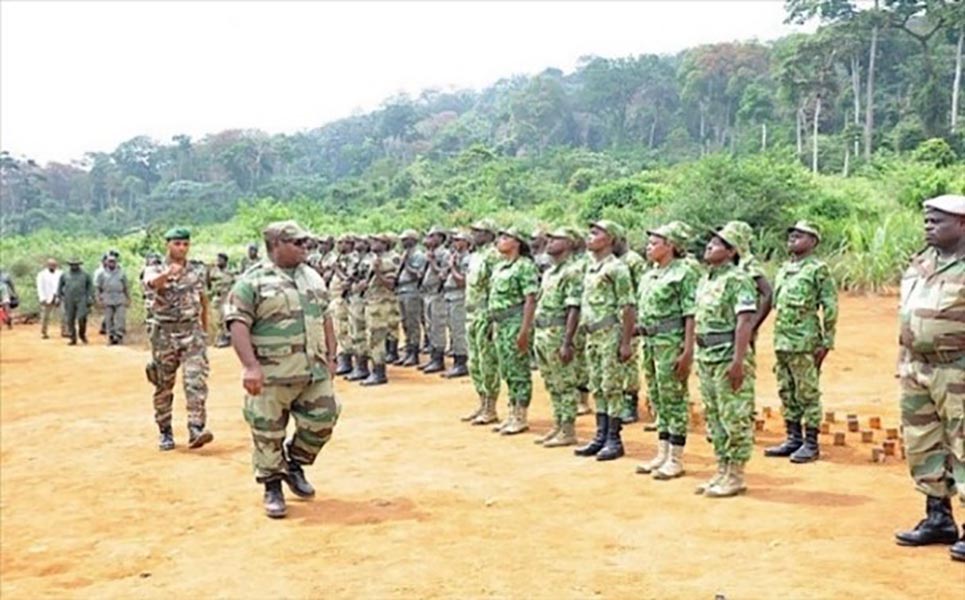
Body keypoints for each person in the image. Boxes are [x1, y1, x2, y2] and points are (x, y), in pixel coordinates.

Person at [225, 220, 340, 519]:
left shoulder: (312, 276)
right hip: (271, 374)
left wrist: (332, 356)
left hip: (312, 370)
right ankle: (272, 485)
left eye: (305, 242)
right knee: (267, 430)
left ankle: (294, 462)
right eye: (297, 242)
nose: (305, 247)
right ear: (276, 245)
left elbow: (325, 317)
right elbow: (238, 324)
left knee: (325, 417)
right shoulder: (253, 281)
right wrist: (250, 366)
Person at [894, 194, 965, 561]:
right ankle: (938, 518)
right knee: (923, 444)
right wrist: (902, 360)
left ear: (963, 224)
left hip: (958, 369)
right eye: (927, 220)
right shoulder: (922, 262)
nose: (928, 226)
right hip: (917, 368)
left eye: (937, 221)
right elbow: (906, 316)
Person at [764, 221, 838, 464]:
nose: (793, 237)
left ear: (813, 242)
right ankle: (793, 438)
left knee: (807, 393)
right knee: (787, 390)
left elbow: (829, 305)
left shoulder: (818, 269)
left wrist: (826, 341)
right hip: (782, 341)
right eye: (792, 234)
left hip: (805, 342)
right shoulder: (785, 269)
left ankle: (811, 443)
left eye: (800, 235)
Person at [693, 222, 758, 498]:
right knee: (715, 415)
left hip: (726, 355)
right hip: (706, 356)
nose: (710, 246)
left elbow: (744, 322)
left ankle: (736, 474)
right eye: (711, 242)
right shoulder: (707, 278)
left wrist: (738, 361)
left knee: (734, 416)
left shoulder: (738, 279)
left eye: (718, 243)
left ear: (732, 252)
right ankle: (721, 468)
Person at [634, 222, 699, 479]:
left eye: (654, 243)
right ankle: (661, 452)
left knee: (674, 398)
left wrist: (687, 350)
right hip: (650, 342)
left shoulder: (684, 272)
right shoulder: (650, 273)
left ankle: (676, 457)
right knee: (657, 397)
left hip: (671, 342)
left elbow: (690, 314)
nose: (649, 247)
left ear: (670, 245)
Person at [143, 227, 213, 451]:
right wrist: (168, 274)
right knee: (163, 384)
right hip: (164, 334)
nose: (181, 248)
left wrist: (204, 329)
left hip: (191, 333)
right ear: (168, 245)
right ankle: (165, 431)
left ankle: (196, 428)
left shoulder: (196, 269)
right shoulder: (154, 267)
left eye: (185, 244)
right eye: (177, 244)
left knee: (195, 381)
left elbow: (203, 300)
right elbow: (152, 284)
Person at [574, 220, 636, 461]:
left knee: (612, 387)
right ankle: (600, 436)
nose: (590, 236)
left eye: (596, 232)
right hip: (592, 335)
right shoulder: (591, 268)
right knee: (598, 386)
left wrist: (626, 342)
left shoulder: (617, 268)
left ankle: (614, 439)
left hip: (610, 333)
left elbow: (628, 306)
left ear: (610, 239)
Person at [533, 227, 583, 447]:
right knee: (552, 383)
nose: (549, 242)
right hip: (543, 333)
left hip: (558, 333)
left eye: (556, 238)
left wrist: (567, 341)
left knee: (565, 383)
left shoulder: (571, 271)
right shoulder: (550, 271)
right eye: (549, 238)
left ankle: (569, 429)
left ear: (570, 244)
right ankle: (558, 424)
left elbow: (574, 308)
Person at [488, 227, 539, 435]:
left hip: (515, 321)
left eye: (506, 237)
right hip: (501, 323)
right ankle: (511, 413)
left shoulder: (524, 266)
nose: (501, 240)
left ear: (517, 242)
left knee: (519, 370)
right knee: (507, 370)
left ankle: (520, 415)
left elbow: (530, 299)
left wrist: (524, 330)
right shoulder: (500, 267)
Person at [464, 219, 503, 425]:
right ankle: (481, 402)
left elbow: (494, 289)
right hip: (471, 313)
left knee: (487, 361)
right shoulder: (475, 256)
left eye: (479, 232)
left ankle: (491, 406)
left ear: (489, 234)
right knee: (474, 362)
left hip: (484, 314)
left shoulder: (493, 256)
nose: (474, 235)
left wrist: (491, 318)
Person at [359, 233, 400, 386]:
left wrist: (377, 273)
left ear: (385, 244)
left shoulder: (388, 261)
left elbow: (391, 284)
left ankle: (379, 373)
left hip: (381, 305)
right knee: (371, 338)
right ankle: (375, 370)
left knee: (377, 339)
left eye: (377, 241)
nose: (373, 243)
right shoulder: (375, 260)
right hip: (372, 302)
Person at [617, 236, 648, 424]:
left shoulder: (633, 260)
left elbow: (642, 289)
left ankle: (630, 402)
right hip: (613, 319)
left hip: (630, 318)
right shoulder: (609, 261)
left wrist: (638, 319)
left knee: (629, 361)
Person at [419, 227, 450, 374]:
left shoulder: (444, 254)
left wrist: (432, 262)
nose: (429, 239)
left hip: (438, 294)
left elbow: (443, 274)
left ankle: (438, 359)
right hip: (428, 294)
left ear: (440, 237)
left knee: (437, 326)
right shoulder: (430, 254)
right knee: (430, 326)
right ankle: (433, 357)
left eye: (432, 236)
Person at [441, 231, 471, 378]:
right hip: (449, 295)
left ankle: (461, 363)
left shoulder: (467, 259)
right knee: (453, 329)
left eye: (459, 240)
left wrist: (452, 267)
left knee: (459, 330)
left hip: (459, 296)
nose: (455, 243)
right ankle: (457, 361)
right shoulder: (455, 256)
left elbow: (462, 281)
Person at [395, 229, 425, 367]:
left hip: (412, 290)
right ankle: (408, 350)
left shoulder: (418, 255)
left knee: (413, 323)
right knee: (405, 322)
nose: (403, 242)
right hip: (402, 290)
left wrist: (406, 264)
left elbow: (418, 275)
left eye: (405, 239)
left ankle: (414, 352)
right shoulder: (405, 254)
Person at [344, 235, 373, 382]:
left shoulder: (370, 260)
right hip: (353, 298)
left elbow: (367, 281)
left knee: (360, 332)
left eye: (360, 242)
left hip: (363, 299)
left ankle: (362, 367)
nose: (356, 244)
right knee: (353, 332)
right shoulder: (355, 259)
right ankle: (358, 366)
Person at [330, 234, 357, 375]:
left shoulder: (353, 259)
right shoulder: (340, 258)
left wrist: (337, 270)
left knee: (344, 329)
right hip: (335, 298)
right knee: (338, 329)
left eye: (342, 242)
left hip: (345, 299)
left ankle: (346, 361)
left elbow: (350, 279)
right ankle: (343, 359)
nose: (339, 245)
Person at [57, 259, 94, 345]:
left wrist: (90, 297)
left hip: (82, 299)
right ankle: (73, 338)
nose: (74, 266)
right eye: (72, 264)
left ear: (79, 265)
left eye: (76, 264)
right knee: (70, 319)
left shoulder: (85, 275)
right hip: (69, 299)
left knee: (82, 318)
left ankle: (82, 334)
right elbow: (60, 287)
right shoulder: (65, 275)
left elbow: (90, 287)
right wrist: (59, 296)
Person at [96, 254, 130, 345]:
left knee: (120, 318)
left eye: (113, 261)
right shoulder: (102, 274)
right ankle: (110, 336)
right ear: (106, 263)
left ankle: (119, 336)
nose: (111, 263)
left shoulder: (121, 273)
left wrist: (128, 298)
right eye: (109, 261)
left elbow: (126, 287)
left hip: (119, 297)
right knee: (108, 318)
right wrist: (99, 298)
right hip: (107, 297)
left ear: (116, 262)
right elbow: (98, 288)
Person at [207, 252, 236, 348]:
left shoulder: (230, 273)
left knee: (227, 318)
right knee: (216, 319)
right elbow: (207, 282)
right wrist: (210, 292)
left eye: (220, 260)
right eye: (218, 259)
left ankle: (227, 337)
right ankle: (219, 338)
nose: (218, 261)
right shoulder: (212, 272)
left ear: (225, 261)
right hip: (217, 297)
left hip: (227, 298)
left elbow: (235, 286)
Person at [36, 258, 63, 339]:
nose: (53, 266)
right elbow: (40, 287)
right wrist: (42, 298)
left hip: (58, 296)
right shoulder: (42, 274)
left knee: (63, 315)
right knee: (45, 316)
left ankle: (65, 331)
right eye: (51, 265)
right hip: (47, 297)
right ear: (47, 265)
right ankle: (44, 332)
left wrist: (61, 296)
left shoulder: (60, 273)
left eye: (54, 265)